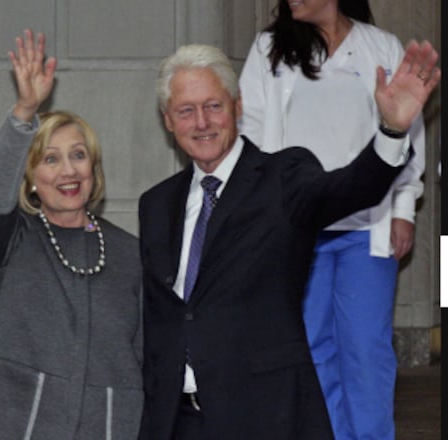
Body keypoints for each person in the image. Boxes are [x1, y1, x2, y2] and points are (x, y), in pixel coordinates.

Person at [137, 41, 439, 439]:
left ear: (238, 106)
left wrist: (392, 130)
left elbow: (349, 189)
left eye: (214, 106)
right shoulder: (156, 204)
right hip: (177, 422)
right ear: (168, 121)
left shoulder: (284, 177)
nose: (202, 122)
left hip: (265, 417)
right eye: (186, 111)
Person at [237, 2, 425, 438]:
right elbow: (250, 130)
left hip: (367, 227)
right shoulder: (269, 47)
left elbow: (407, 129)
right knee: (311, 349)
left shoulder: (381, 46)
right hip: (297, 229)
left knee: (366, 351)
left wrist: (403, 207)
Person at [0, 29, 144, 439]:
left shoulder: (131, 252)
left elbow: (145, 353)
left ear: (94, 169)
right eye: (51, 159)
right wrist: (25, 110)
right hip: (15, 425)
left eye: (79, 156)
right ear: (32, 179)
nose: (69, 171)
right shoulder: (13, 239)